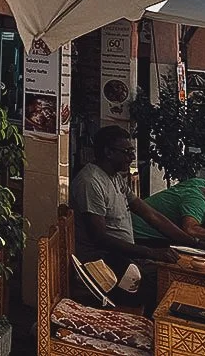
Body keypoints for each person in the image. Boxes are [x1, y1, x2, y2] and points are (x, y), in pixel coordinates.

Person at [71, 126, 195, 310]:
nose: (132, 157)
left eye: (132, 152)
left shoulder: (115, 177)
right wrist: (150, 252)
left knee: (176, 272)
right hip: (103, 266)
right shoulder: (90, 182)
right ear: (108, 152)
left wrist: (192, 242)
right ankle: (150, 331)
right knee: (165, 286)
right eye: (127, 152)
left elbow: (150, 214)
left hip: (126, 257)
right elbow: (100, 238)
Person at [133, 177, 205, 246]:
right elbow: (190, 229)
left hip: (135, 222)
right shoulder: (197, 201)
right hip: (141, 235)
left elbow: (190, 213)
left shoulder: (201, 183)